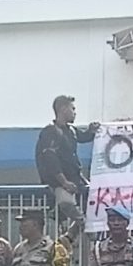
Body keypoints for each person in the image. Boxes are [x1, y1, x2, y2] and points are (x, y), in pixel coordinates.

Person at [36, 91, 91, 233]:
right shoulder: (50, 131)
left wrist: (93, 130)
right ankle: (83, 226)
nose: (75, 113)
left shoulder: (71, 130)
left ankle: (75, 224)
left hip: (75, 178)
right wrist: (64, 182)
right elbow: (50, 159)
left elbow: (84, 137)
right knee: (67, 204)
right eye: (73, 108)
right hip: (59, 183)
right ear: (63, 109)